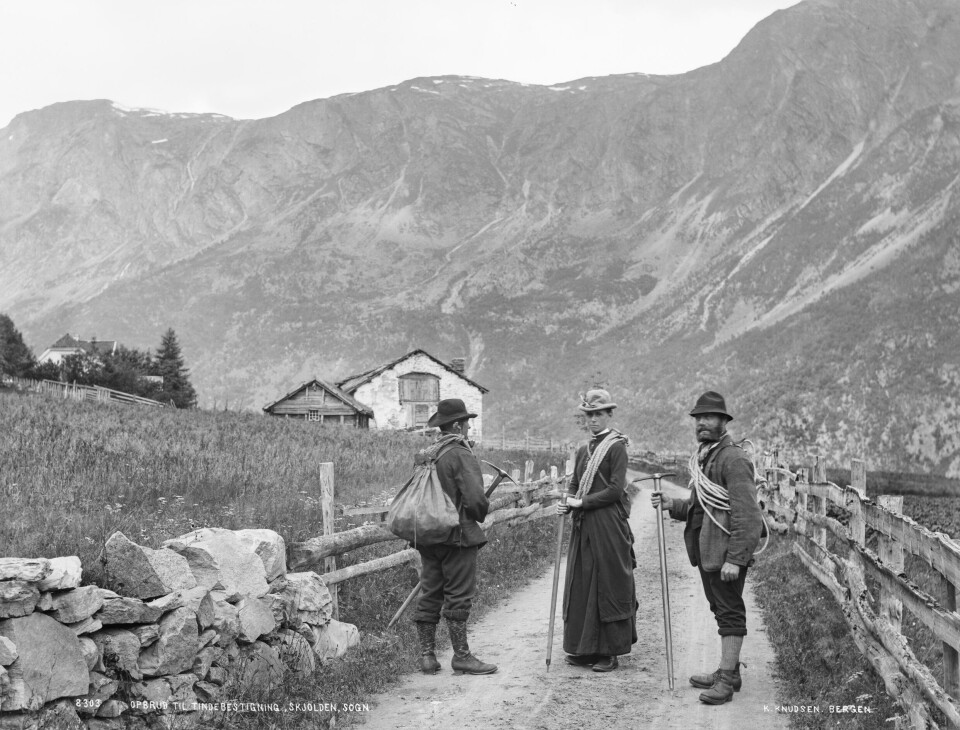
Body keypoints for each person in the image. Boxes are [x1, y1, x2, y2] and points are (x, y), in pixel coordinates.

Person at [651, 391, 763, 704]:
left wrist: (736, 559)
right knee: (719, 608)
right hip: (708, 551)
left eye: (709, 417)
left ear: (723, 422)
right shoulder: (707, 456)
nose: (702, 423)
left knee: (729, 612)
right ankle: (730, 671)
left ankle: (726, 682)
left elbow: (749, 516)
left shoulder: (734, 459)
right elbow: (701, 509)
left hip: (725, 554)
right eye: (698, 418)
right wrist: (671, 504)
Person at [412, 398, 498, 676]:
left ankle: (427, 657)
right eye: (468, 424)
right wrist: (480, 511)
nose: (469, 429)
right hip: (457, 537)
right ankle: (461, 656)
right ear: (458, 425)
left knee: (431, 592)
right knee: (458, 595)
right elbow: (475, 500)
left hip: (427, 536)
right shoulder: (460, 454)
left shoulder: (428, 453)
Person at [556, 389, 638, 673]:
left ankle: (609, 652)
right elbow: (575, 483)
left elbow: (615, 490)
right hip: (584, 526)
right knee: (582, 584)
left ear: (609, 415)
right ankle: (584, 648)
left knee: (609, 583)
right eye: (589, 415)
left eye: (598, 414)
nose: (593, 420)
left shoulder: (616, 448)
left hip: (608, 525)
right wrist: (567, 502)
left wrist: (584, 502)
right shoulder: (583, 450)